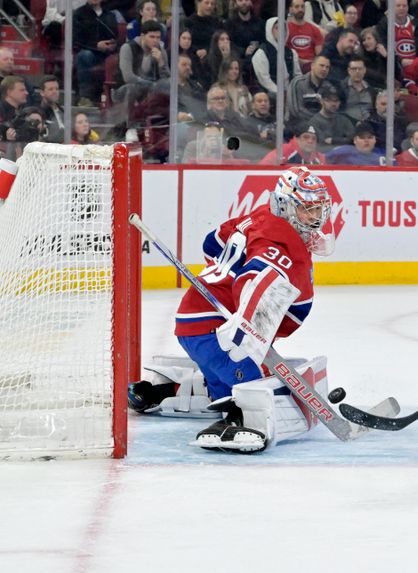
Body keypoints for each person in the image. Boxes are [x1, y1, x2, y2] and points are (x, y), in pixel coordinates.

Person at [129, 166, 335, 453]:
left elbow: (212, 242)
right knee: (257, 382)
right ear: (285, 206)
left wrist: (221, 273)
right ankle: (239, 419)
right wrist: (246, 330)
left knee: (226, 378)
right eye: (307, 210)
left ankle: (156, 393)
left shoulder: (260, 217)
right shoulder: (279, 239)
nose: (315, 218)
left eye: (318, 209)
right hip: (218, 332)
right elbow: (256, 279)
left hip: (199, 323)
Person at [253, 17, 303, 98]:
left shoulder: (291, 53)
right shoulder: (261, 54)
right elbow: (265, 80)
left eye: (283, 28)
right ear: (270, 30)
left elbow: (297, 75)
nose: (281, 31)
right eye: (277, 28)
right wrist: (281, 93)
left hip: (290, 94)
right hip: (270, 94)